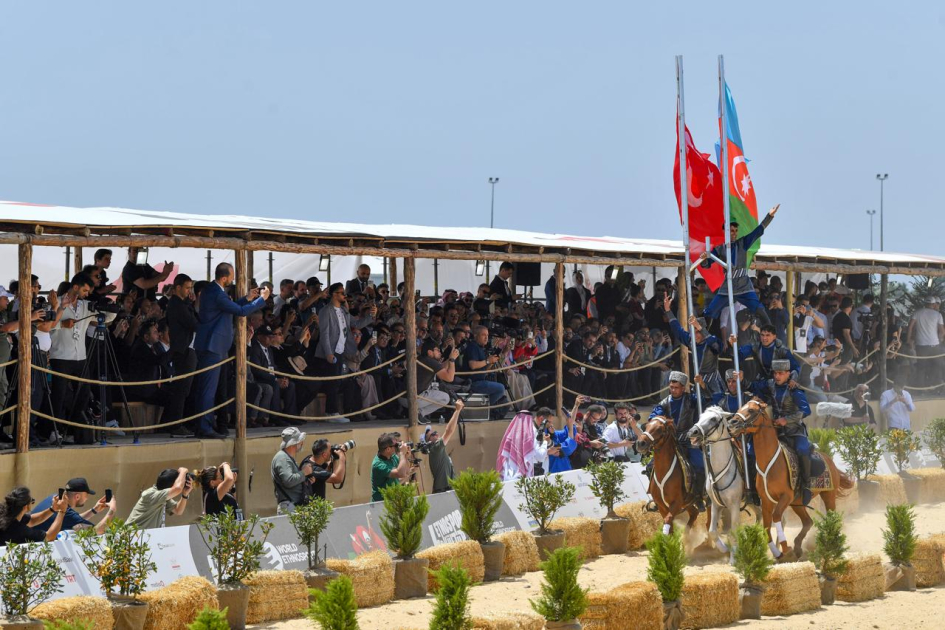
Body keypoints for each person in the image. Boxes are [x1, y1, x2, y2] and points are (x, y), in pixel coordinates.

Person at [193, 262, 269, 439]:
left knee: (210, 389)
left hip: (215, 346)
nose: (234, 278)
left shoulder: (215, 291)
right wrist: (261, 300)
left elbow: (232, 307)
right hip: (212, 346)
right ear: (224, 277)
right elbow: (240, 312)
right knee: (207, 389)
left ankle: (205, 425)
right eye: (232, 275)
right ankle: (204, 427)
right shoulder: (215, 292)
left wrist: (248, 298)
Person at [699, 204, 780, 326]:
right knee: (710, 312)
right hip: (728, 287)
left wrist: (769, 216)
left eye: (736, 231)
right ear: (725, 231)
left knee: (759, 308)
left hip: (744, 286)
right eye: (732, 230)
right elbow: (706, 264)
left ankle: (772, 336)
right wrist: (704, 259)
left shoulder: (742, 243)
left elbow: (757, 232)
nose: (734, 233)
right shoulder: (720, 249)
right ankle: (702, 338)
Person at [752, 359, 813, 505]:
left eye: (780, 373)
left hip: (794, 431)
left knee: (802, 450)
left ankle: (806, 485)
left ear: (787, 374)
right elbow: (754, 387)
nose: (777, 376)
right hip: (776, 431)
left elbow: (806, 411)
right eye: (775, 373)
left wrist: (786, 419)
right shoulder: (770, 385)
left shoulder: (795, 390)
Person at [650, 371, 707, 511]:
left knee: (699, 465)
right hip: (671, 442)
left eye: (676, 387)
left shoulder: (692, 399)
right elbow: (654, 415)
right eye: (671, 387)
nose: (673, 390)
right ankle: (655, 497)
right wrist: (655, 420)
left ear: (683, 388)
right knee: (650, 466)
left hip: (688, 441)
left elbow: (706, 401)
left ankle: (699, 496)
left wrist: (702, 386)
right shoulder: (664, 402)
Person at [663, 294, 726, 395]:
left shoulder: (711, 340)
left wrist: (700, 328)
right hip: (698, 380)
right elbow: (678, 329)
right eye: (693, 331)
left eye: (697, 331)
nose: (695, 335)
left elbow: (717, 347)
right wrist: (668, 311)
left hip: (712, 382)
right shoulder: (691, 340)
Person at [32, 477, 116, 534]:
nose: (87, 499)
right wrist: (112, 509)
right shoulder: (68, 514)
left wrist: (94, 510)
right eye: (86, 495)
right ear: (77, 496)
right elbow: (96, 531)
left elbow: (74, 520)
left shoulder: (54, 498)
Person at [463, 326, 510, 419]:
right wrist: (488, 361)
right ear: (476, 335)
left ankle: (485, 409)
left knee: (501, 384)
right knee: (500, 388)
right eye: (483, 335)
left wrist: (492, 361)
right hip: (472, 382)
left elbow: (485, 370)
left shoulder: (481, 348)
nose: (486, 338)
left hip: (480, 379)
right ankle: (482, 409)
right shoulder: (473, 347)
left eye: (487, 335)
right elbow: (473, 365)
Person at [126, 468, 193, 529]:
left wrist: (185, 495)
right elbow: (177, 488)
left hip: (144, 537)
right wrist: (183, 471)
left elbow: (178, 510)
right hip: (131, 536)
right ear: (172, 485)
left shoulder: (162, 496)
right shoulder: (151, 494)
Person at [422, 399, 465, 493]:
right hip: (443, 490)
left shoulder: (437, 449)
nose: (436, 433)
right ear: (429, 441)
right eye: (433, 434)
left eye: (435, 432)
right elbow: (449, 431)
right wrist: (457, 411)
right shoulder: (435, 448)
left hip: (448, 489)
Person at [0, 487, 67, 545]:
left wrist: (53, 509)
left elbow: (31, 520)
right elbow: (49, 537)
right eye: (32, 501)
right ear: (26, 507)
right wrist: (62, 512)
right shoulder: (20, 530)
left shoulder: (7, 513)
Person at [272, 427, 313, 513]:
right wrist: (304, 473)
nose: (302, 443)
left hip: (292, 505)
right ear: (295, 443)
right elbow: (289, 481)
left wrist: (306, 480)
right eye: (300, 441)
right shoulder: (282, 458)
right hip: (289, 506)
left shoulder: (286, 457)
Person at [371, 432, 414, 502]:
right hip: (380, 503)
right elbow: (400, 474)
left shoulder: (392, 457)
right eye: (395, 445)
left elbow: (406, 472)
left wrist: (405, 457)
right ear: (388, 449)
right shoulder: (378, 464)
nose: (397, 447)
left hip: (393, 500)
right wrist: (402, 454)